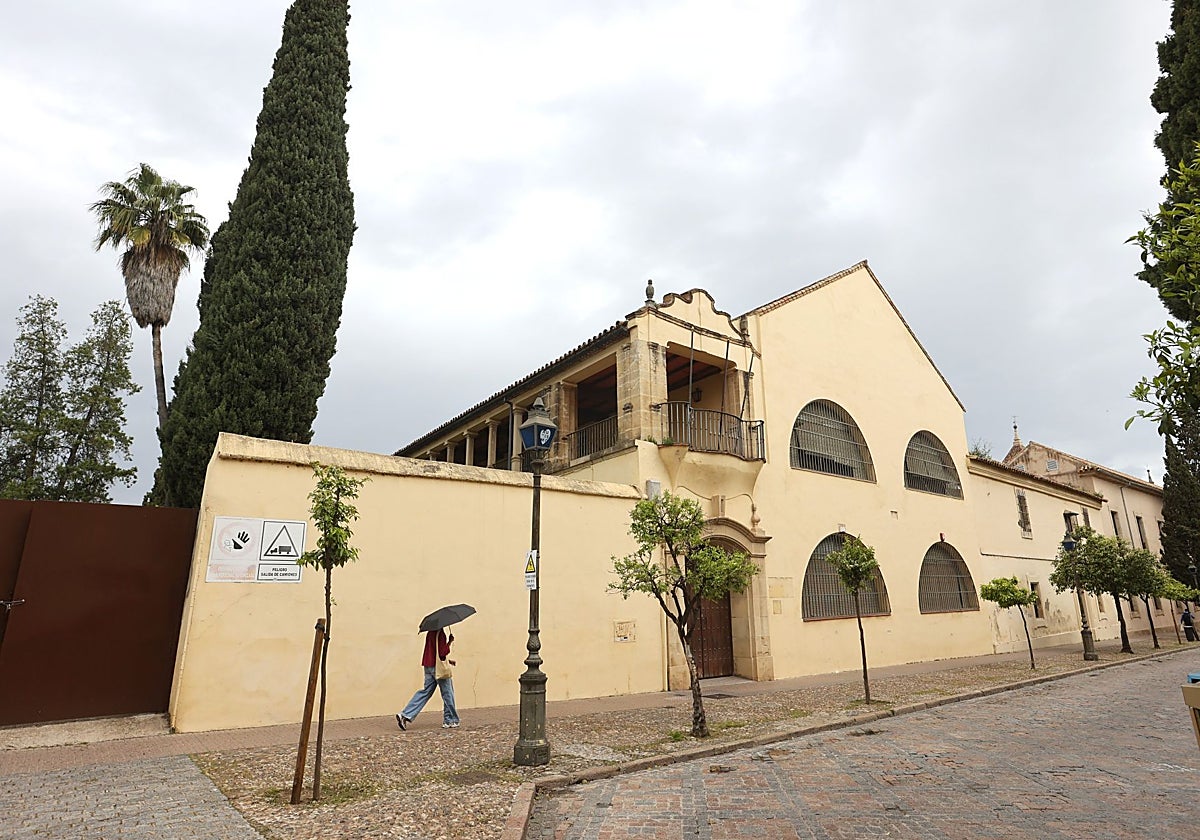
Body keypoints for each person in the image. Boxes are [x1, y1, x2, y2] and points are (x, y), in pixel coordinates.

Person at [396, 628, 459, 729]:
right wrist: (450, 642)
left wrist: (448, 661)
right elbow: (442, 653)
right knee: (448, 693)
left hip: (428, 666)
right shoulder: (441, 634)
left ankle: (405, 714)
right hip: (437, 669)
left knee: (425, 692)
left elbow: (434, 652)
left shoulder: (430, 632)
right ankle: (450, 720)